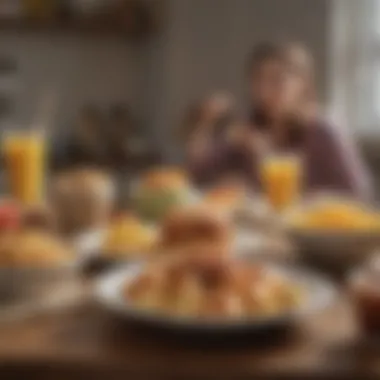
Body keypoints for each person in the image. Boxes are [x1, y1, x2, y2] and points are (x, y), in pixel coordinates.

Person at [186, 42, 372, 200]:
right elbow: (196, 174)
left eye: (277, 80)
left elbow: (359, 194)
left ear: (303, 84)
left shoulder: (323, 130)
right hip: (260, 232)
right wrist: (205, 123)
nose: (264, 92)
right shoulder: (249, 129)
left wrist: (264, 158)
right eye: (258, 80)